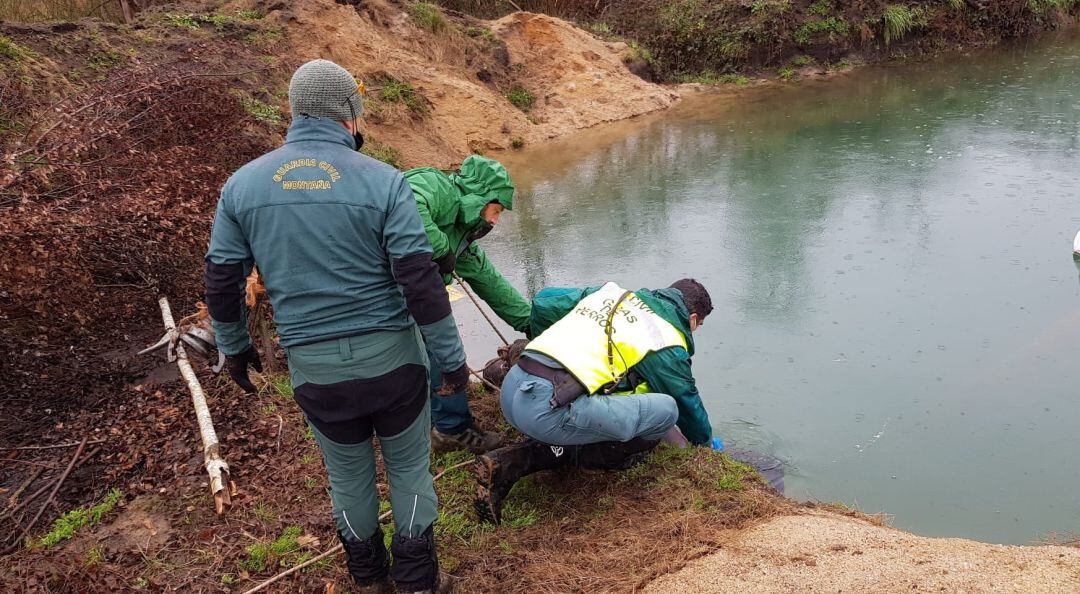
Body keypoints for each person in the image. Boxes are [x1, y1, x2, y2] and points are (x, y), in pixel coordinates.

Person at [204, 59, 464, 593]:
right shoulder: (385, 181)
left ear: (295, 111)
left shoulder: (241, 186)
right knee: (409, 469)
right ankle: (417, 583)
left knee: (348, 479)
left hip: (317, 372)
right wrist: (454, 361)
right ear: (350, 114)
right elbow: (420, 282)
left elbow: (220, 279)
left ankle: (368, 582)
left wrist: (234, 349)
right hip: (394, 364)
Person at [474, 279, 714, 524]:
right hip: (544, 407)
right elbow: (685, 401)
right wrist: (704, 444)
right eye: (699, 325)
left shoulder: (610, 294)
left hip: (513, 388)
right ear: (693, 319)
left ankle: (506, 462)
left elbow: (544, 302)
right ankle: (560, 459)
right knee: (666, 410)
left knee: (595, 403)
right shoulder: (666, 338)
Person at [404, 156, 531, 454]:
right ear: (480, 197)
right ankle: (451, 429)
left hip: (412, 300)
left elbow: (494, 285)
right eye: (496, 210)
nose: (495, 221)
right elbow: (406, 199)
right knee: (443, 354)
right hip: (382, 297)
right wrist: (440, 248)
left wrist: (534, 324)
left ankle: (432, 425)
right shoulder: (436, 186)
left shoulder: (463, 241)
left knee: (432, 355)